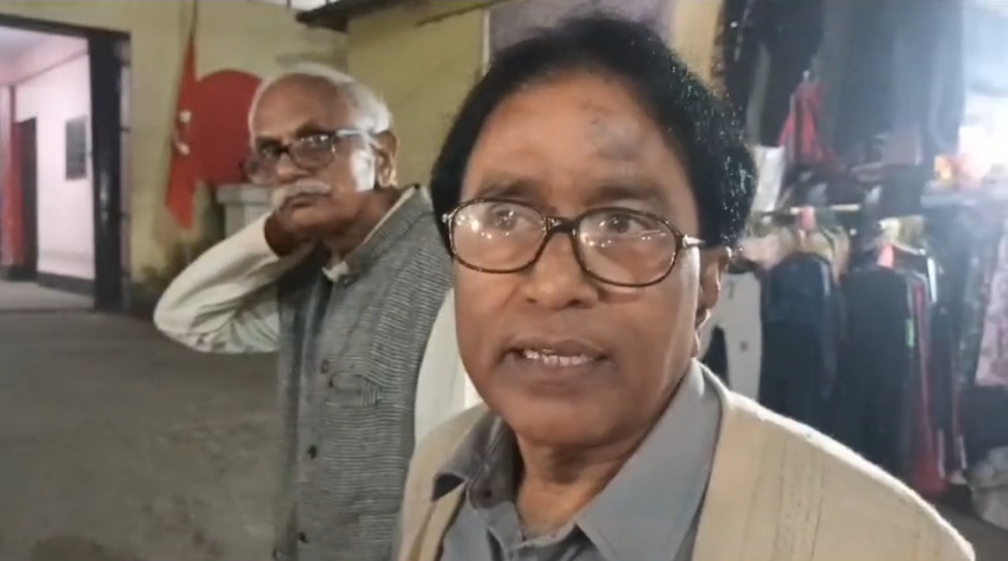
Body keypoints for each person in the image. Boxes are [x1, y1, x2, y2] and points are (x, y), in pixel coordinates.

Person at [395, 14, 974, 561]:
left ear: (709, 284)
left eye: (622, 224)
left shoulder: (887, 546)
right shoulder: (441, 471)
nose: (553, 285)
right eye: (502, 218)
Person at [153, 64, 474, 561]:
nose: (286, 171)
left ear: (382, 154)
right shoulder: (310, 275)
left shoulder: (449, 268)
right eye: (270, 151)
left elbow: (464, 467)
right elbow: (186, 317)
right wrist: (275, 235)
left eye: (316, 142)